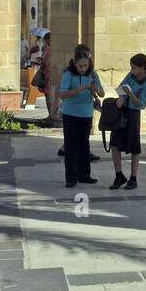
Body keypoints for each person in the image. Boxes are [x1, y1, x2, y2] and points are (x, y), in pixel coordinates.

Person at [58, 45, 104, 187]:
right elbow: (62, 94)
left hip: (85, 114)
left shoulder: (92, 75)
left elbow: (102, 93)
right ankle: (71, 177)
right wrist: (76, 90)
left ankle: (84, 175)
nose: (83, 68)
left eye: (85, 65)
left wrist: (95, 89)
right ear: (75, 63)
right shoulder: (69, 74)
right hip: (70, 114)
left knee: (84, 144)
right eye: (80, 66)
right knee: (71, 145)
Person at [109, 53, 146, 191]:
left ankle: (133, 178)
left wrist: (130, 94)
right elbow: (122, 87)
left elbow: (141, 103)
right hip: (122, 111)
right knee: (114, 142)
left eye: (134, 67)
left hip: (133, 114)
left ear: (143, 68)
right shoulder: (131, 75)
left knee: (134, 146)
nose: (132, 70)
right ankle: (118, 174)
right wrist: (122, 96)